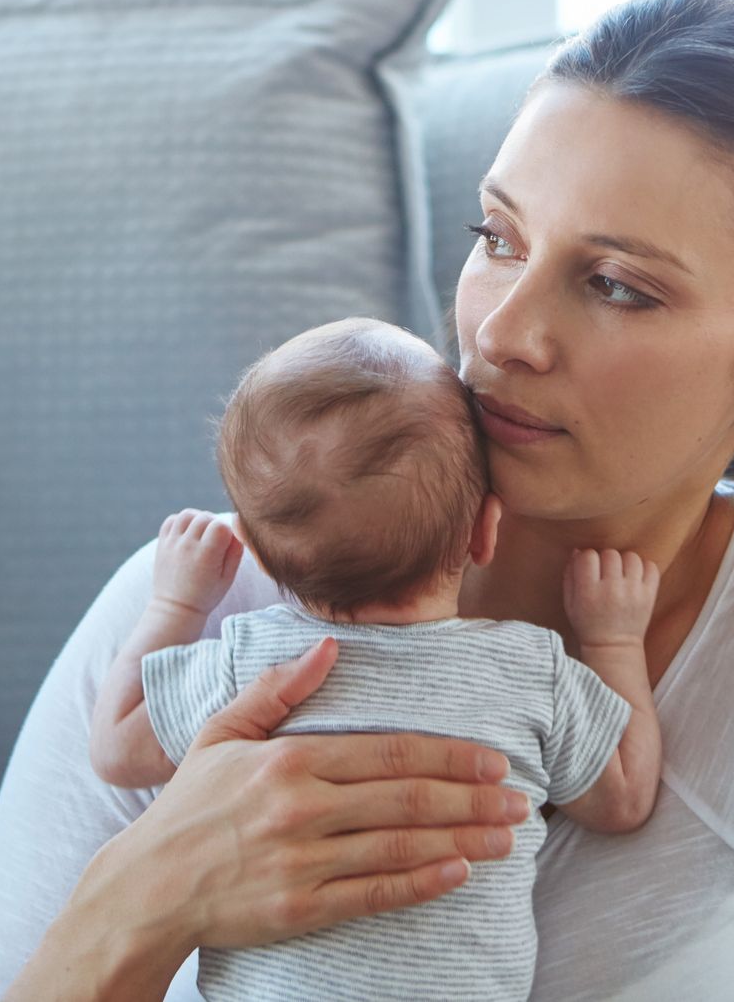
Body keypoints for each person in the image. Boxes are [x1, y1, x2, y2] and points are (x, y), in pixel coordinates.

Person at [0, 0, 734, 1001]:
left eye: (615, 286)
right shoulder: (204, 604)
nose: (500, 333)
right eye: (497, 237)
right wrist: (151, 891)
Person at [84, 316, 663, 1000]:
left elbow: (119, 749)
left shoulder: (253, 664)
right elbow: (622, 796)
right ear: (486, 531)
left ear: (258, 557)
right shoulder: (525, 669)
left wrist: (176, 606)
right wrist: (615, 640)